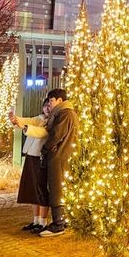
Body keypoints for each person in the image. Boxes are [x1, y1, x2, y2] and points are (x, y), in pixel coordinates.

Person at [38, 88, 79, 238]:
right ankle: (61, 221)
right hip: (62, 154)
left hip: (59, 156)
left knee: (56, 188)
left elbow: (56, 135)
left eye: (51, 100)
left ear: (60, 100)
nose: (49, 104)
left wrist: (45, 148)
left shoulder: (65, 113)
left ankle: (58, 224)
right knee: (59, 188)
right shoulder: (65, 113)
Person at [9, 98, 51, 233]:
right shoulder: (39, 118)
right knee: (33, 189)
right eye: (45, 106)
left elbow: (41, 132)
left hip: (41, 157)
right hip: (31, 156)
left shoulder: (53, 121)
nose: (47, 108)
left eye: (50, 105)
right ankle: (36, 220)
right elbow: (29, 121)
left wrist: (25, 126)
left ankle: (43, 222)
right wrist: (17, 120)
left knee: (41, 189)